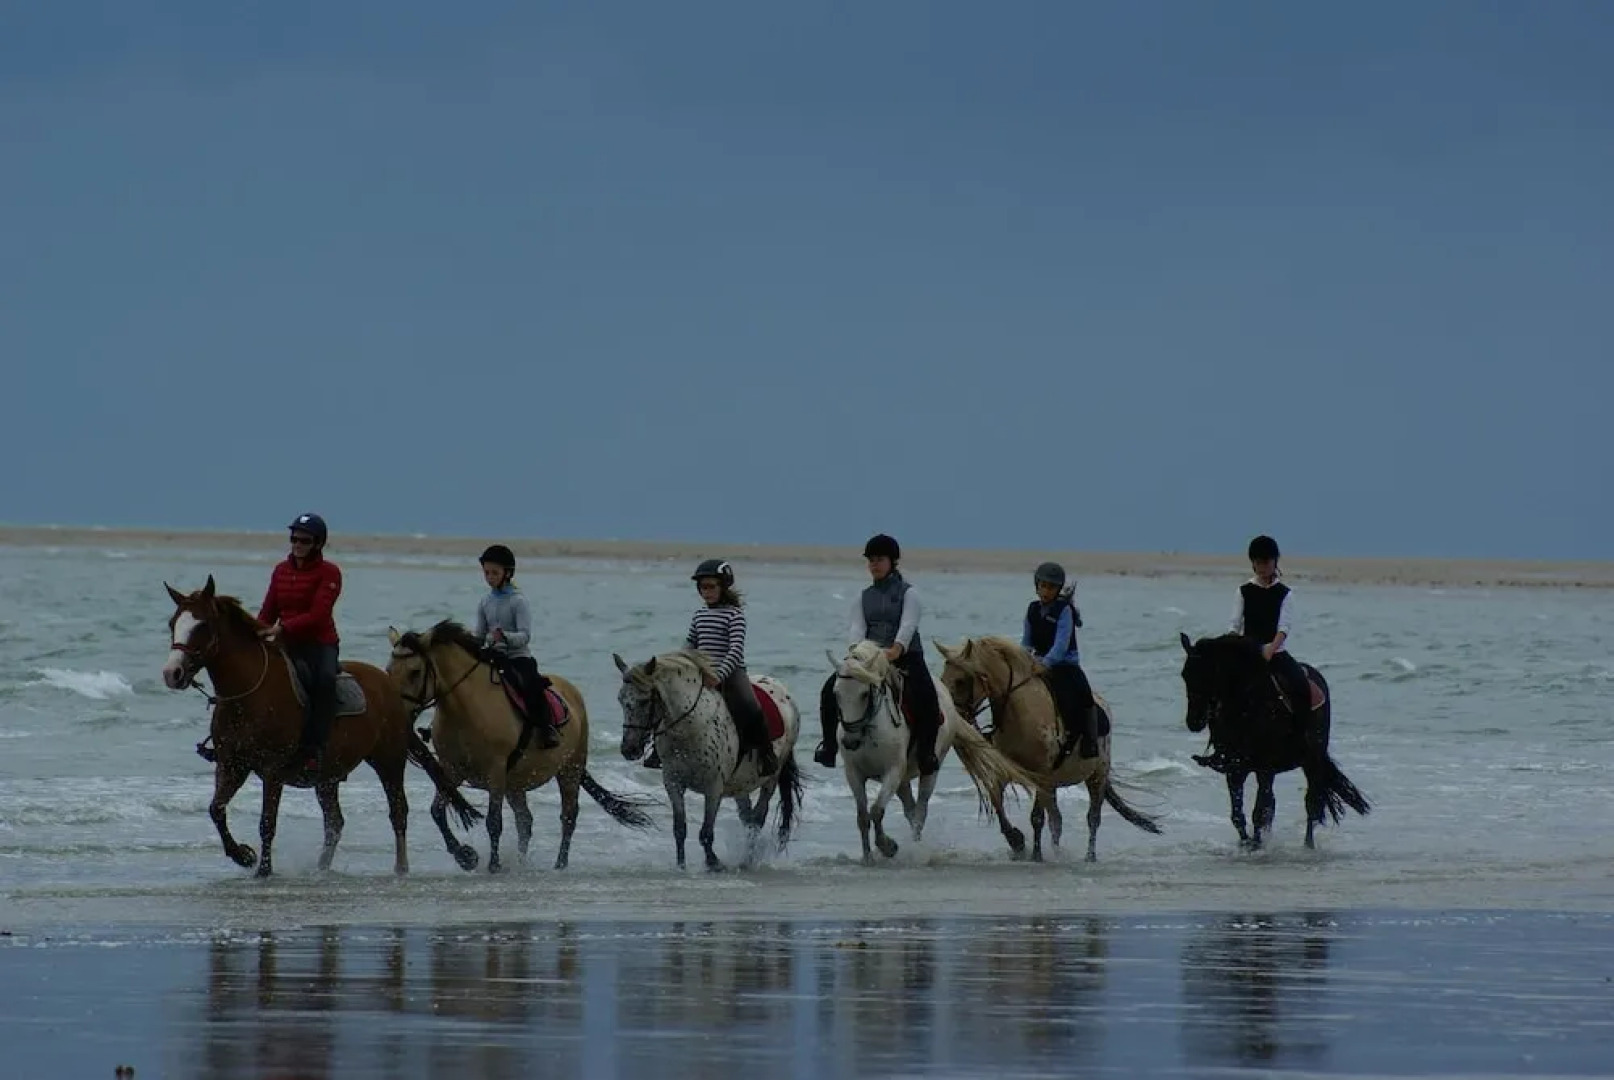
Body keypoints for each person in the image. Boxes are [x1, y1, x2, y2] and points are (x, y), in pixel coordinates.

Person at [814, 534, 944, 775]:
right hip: (870, 659)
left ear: (892, 561)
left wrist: (896, 649)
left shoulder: (909, 594)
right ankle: (829, 746)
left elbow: (908, 625)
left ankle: (927, 753)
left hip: (905, 656)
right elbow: (857, 629)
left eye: (879, 560)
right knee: (830, 690)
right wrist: (856, 654)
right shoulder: (862, 597)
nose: (874, 565)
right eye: (871, 560)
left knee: (927, 698)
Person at [645, 559, 778, 775]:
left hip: (731, 672)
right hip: (701, 671)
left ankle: (766, 754)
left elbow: (735, 650)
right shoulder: (699, 615)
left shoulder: (735, 615)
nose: (706, 592)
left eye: (711, 587)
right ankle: (658, 750)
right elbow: (690, 643)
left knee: (750, 707)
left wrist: (719, 674)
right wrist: (678, 663)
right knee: (669, 703)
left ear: (723, 587)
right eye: (702, 588)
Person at [257, 513, 342, 773]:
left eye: (304, 540)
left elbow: (319, 615)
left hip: (320, 644)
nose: (297, 544)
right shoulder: (280, 570)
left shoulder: (330, 573)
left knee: (325, 681)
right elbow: (268, 610)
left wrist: (283, 628)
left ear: (318, 543)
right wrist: (255, 631)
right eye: (294, 538)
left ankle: (313, 749)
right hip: (286, 642)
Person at [474, 544, 560, 751]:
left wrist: (504, 636)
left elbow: (525, 636)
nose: (489, 577)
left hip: (518, 658)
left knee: (530, 687)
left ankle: (546, 728)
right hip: (493, 656)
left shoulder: (518, 601)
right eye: (486, 572)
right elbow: (479, 636)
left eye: (494, 572)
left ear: (508, 573)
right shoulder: (484, 602)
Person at [1022, 561, 1100, 760]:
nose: (1046, 591)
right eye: (1043, 586)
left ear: (1057, 590)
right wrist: (1022, 660)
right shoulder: (1032, 609)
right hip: (1037, 663)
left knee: (1083, 694)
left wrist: (1045, 664)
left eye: (1051, 587)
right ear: (1037, 586)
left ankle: (1089, 741)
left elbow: (1061, 645)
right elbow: (1026, 641)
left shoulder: (1065, 611)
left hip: (1064, 665)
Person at [1231, 534, 1312, 723]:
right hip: (1248, 653)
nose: (1263, 567)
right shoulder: (1243, 591)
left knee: (1300, 685)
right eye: (1258, 563)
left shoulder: (1285, 594)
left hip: (1275, 654)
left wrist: (1271, 648)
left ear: (1275, 562)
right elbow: (1234, 625)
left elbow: (1284, 628)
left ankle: (1301, 736)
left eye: (1266, 562)